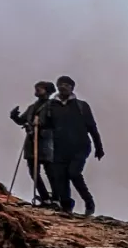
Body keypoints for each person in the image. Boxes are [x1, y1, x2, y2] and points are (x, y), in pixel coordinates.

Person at [43, 75, 104, 215]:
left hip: (80, 147)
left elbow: (92, 127)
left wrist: (98, 147)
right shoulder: (50, 106)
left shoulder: (81, 106)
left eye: (66, 84)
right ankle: (66, 206)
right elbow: (46, 125)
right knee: (60, 176)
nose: (63, 87)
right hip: (59, 147)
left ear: (72, 88)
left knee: (74, 173)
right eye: (60, 84)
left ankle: (89, 202)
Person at [10, 81, 56, 205]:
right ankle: (45, 197)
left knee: (50, 172)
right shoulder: (32, 107)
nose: (36, 91)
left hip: (45, 142)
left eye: (39, 89)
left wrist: (40, 127)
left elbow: (55, 123)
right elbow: (22, 120)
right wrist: (15, 117)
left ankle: (56, 198)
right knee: (34, 172)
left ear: (47, 90)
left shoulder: (52, 106)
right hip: (31, 142)